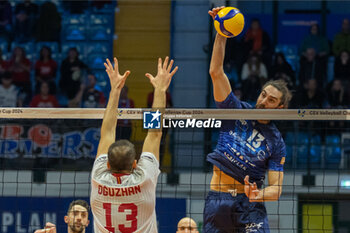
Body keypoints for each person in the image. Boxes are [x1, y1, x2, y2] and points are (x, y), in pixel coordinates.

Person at [205, 7, 292, 233]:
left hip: (250, 204)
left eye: (271, 100)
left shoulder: (276, 141)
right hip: (219, 200)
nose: (263, 101)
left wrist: (258, 194)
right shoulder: (235, 110)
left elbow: (276, 189)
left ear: (280, 108)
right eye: (264, 94)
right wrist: (221, 32)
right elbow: (216, 71)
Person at [90, 57, 177, 232]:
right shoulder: (144, 178)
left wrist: (115, 89)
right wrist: (160, 90)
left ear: (107, 164)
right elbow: (155, 133)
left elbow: (107, 132)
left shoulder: (98, 177)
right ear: (135, 164)